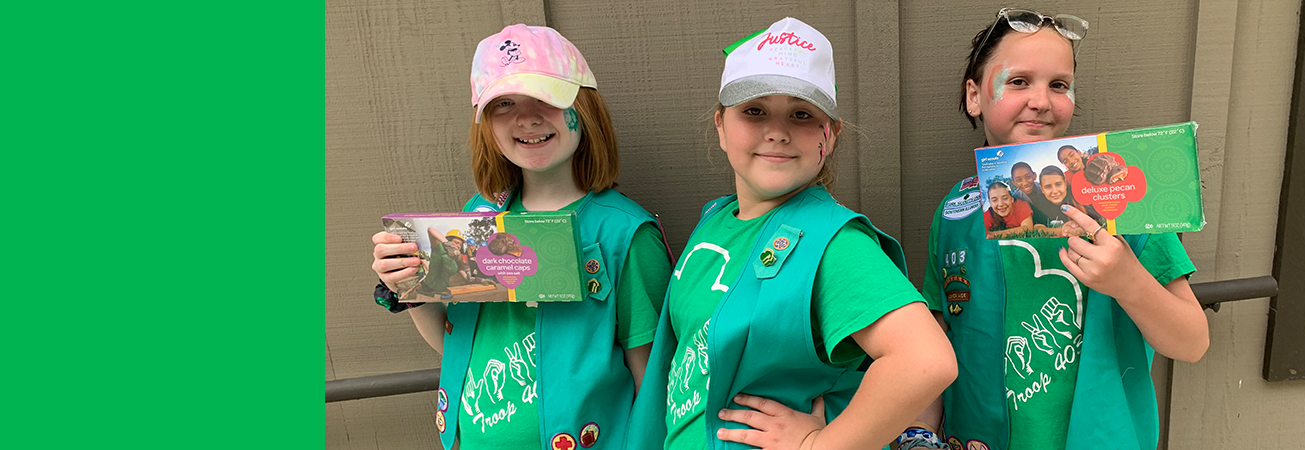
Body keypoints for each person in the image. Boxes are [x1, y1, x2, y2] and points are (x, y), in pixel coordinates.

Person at [627, 17, 957, 450]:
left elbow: (925, 361)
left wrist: (817, 445)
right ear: (721, 127)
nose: (777, 131)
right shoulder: (717, 219)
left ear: (831, 135)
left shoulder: (834, 243)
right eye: (754, 110)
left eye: (802, 114)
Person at [917, 8, 1211, 450]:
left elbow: (1192, 342)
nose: (1041, 100)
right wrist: (918, 436)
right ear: (975, 96)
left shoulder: (1120, 199)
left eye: (1059, 84)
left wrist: (1128, 281)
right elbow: (936, 341)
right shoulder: (954, 212)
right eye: (1018, 81)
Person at [368, 24, 672, 450]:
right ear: (485, 123)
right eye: (503, 103)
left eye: (546, 98)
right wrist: (412, 288)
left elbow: (653, 380)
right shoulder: (479, 215)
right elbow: (460, 345)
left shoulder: (624, 233)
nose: (527, 118)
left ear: (583, 107)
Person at [1038, 165, 1104, 233]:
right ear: (1042, 189)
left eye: (1058, 184)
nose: (1055, 191)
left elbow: (1099, 220)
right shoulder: (1040, 202)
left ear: (1065, 183)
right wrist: (1064, 231)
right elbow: (1038, 228)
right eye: (1048, 187)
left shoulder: (1078, 196)